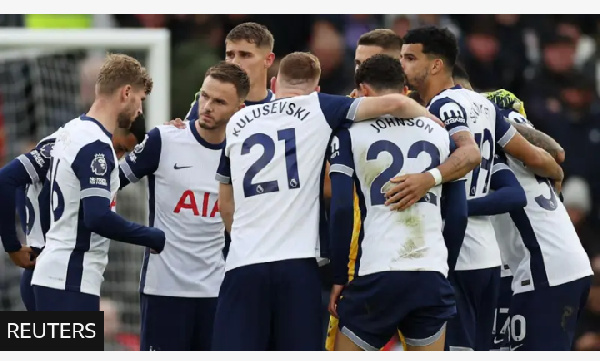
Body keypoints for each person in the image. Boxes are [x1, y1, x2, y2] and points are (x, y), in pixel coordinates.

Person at [213, 51, 439, 351]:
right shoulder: (320, 106)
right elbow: (396, 103)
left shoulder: (239, 120)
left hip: (243, 263)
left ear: (274, 83)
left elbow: (225, 200)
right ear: (316, 89)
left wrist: (241, 236)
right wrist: (434, 121)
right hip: (297, 263)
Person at [397, 26, 564, 351]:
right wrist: (556, 170)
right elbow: (531, 155)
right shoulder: (483, 106)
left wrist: (428, 180)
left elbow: (466, 158)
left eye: (409, 58)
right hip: (488, 258)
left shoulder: (438, 110)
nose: (402, 65)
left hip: (454, 254)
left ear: (435, 65)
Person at [328, 54, 467, 351]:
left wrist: (339, 276)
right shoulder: (440, 131)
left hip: (377, 272)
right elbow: (458, 214)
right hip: (430, 273)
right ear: (404, 90)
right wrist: (444, 268)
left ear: (363, 91)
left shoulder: (349, 132)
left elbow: (341, 209)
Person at [119, 62, 250, 351]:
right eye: (204, 96)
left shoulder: (245, 154)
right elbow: (108, 183)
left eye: (219, 101)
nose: (207, 106)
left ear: (239, 110)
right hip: (163, 289)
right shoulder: (164, 139)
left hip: (216, 290)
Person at [30, 53, 165, 311]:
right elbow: (98, 218)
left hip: (53, 275)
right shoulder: (97, 147)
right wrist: (153, 236)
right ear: (126, 92)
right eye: (141, 100)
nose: (140, 111)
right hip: (70, 280)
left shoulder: (72, 131)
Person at [0, 121, 142, 311]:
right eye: (119, 148)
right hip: (61, 278)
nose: (119, 157)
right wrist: (13, 246)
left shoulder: (91, 158)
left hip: (60, 276)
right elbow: (6, 179)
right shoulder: (68, 148)